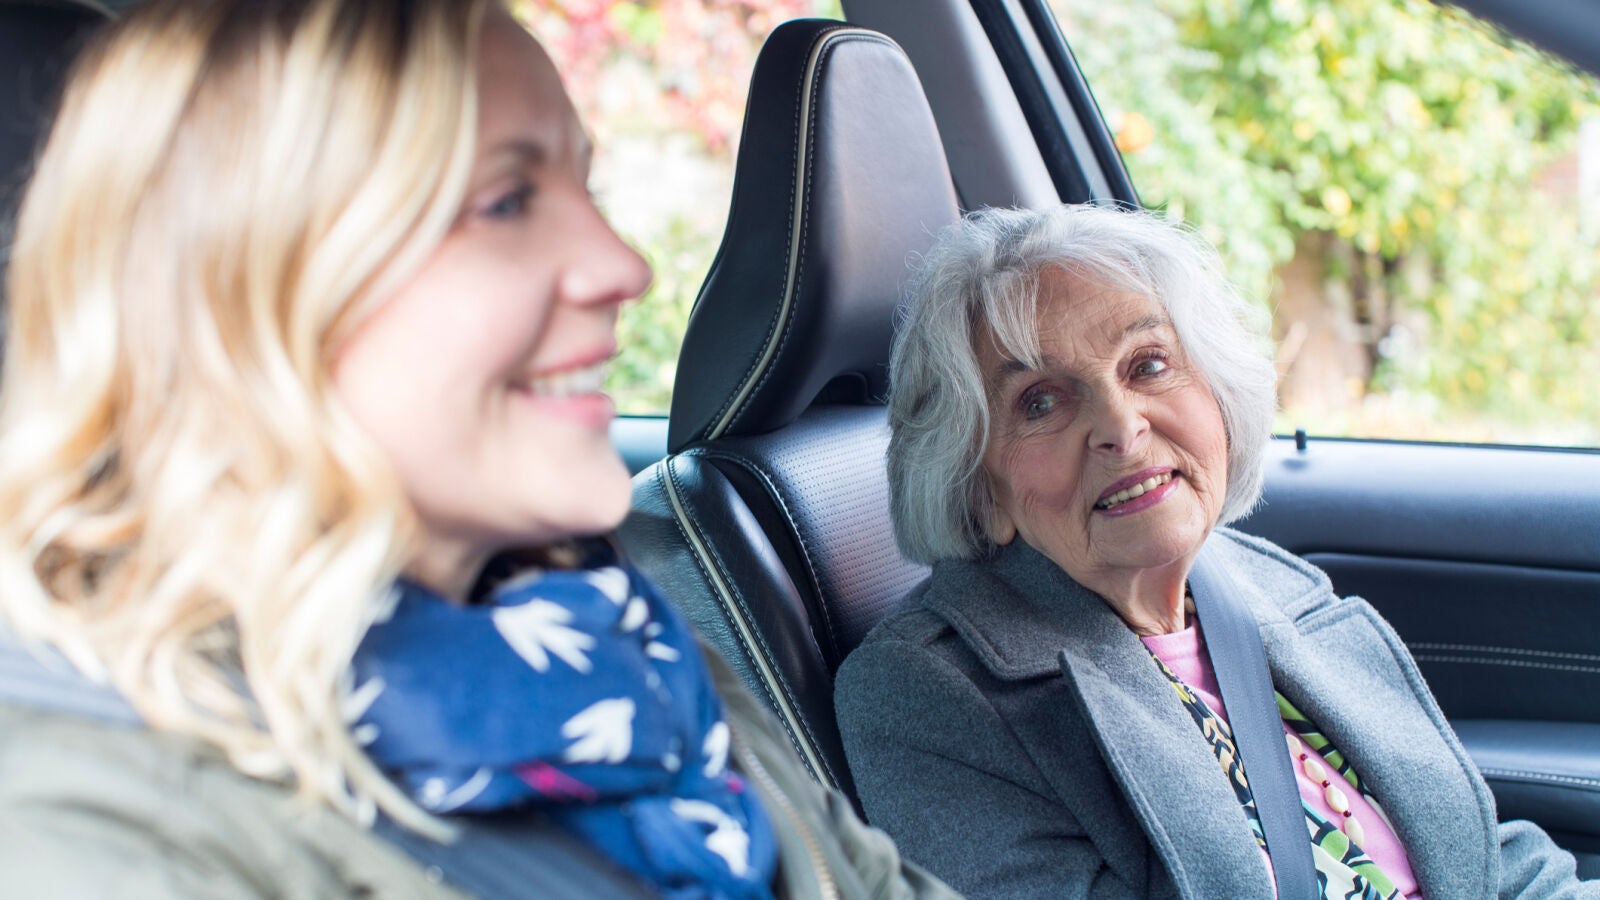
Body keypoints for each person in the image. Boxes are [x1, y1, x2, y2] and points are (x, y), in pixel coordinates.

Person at [0, 2, 958, 897]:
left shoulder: (613, 638)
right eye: (506, 202)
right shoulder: (87, 829)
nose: (624, 266)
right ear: (236, 294)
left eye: (585, 186)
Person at [834, 203, 1597, 899]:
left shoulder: (1262, 582)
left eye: (1149, 364)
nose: (1121, 426)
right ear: (980, 484)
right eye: (1040, 401)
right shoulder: (925, 696)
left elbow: (1483, 859)